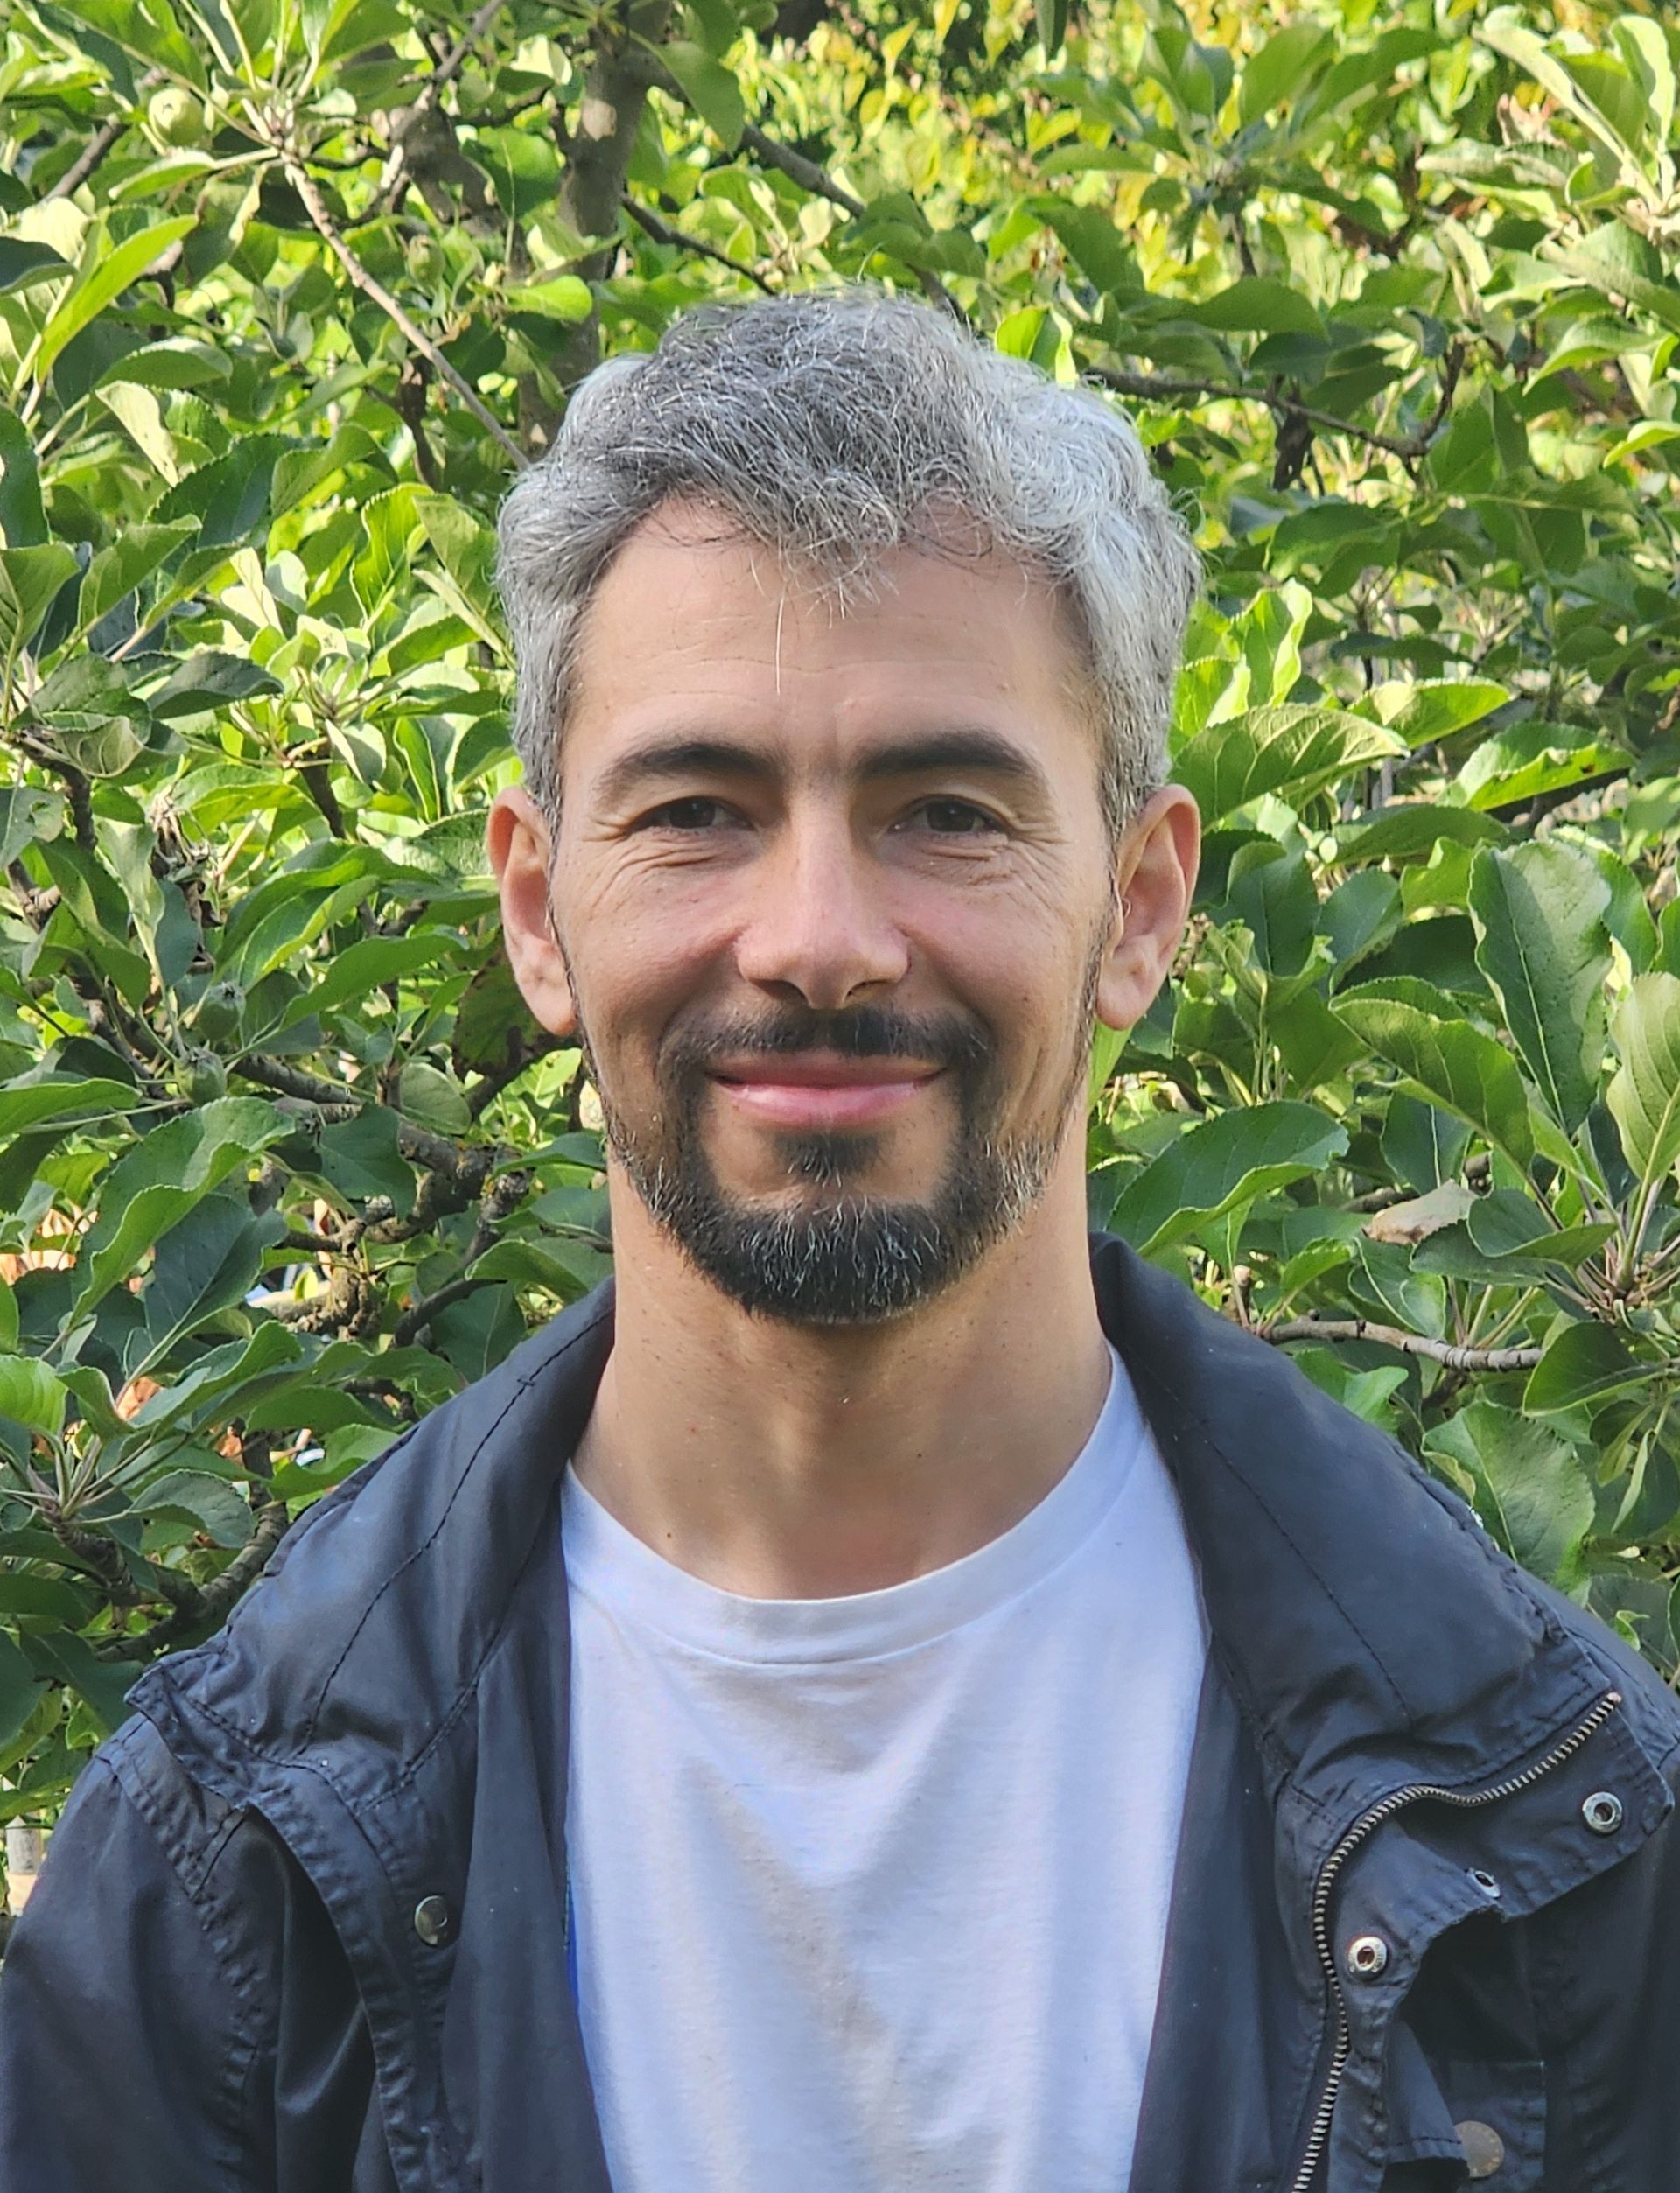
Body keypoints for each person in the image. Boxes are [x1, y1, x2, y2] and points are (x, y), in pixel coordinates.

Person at [2, 288, 1677, 2193]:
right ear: (538, 911)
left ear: (1138, 905)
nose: (817, 934)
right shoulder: (219, 1879)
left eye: (944, 811)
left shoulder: (1570, 1831)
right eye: (698, 809)